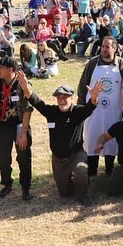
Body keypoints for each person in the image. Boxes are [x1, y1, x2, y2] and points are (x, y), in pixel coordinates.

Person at [19, 75, 101, 205]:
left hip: (76, 156)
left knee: (80, 170)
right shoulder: (51, 112)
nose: (61, 100)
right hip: (58, 160)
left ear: (72, 98)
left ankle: (84, 194)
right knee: (65, 194)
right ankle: (74, 182)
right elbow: (36, 102)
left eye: (65, 97)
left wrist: (94, 97)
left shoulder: (78, 111)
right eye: (59, 97)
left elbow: (89, 108)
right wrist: (25, 87)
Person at [0, 56, 33, 200]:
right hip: (3, 124)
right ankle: (7, 183)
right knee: (2, 156)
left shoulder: (22, 83)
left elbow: (28, 109)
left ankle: (26, 187)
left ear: (11, 69)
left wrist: (23, 133)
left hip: (20, 123)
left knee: (23, 155)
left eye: (1, 67)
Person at [75, 36, 123, 177]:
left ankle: (109, 169)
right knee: (92, 136)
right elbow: (83, 84)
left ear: (114, 48)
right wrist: (81, 107)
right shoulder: (92, 63)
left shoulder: (120, 64)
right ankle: (92, 169)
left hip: (114, 109)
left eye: (107, 47)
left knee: (112, 138)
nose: (104, 49)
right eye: (102, 46)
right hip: (94, 110)